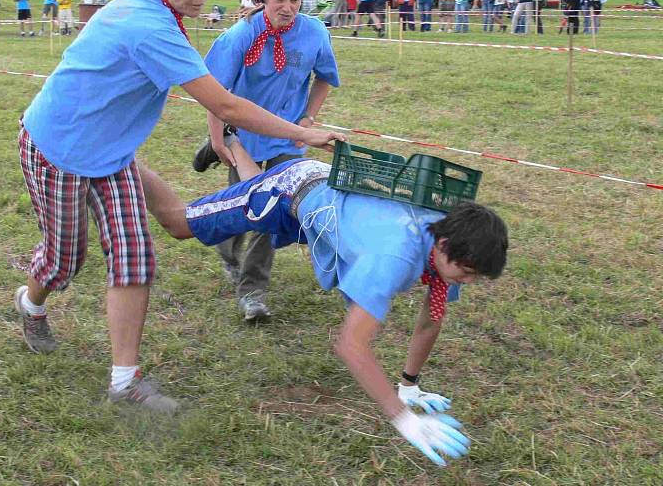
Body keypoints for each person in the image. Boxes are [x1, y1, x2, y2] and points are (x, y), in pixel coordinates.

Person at [13, 0, 342, 413]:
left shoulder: (152, 12)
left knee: (134, 257)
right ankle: (31, 303)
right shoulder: (149, 26)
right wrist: (303, 133)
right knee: (64, 261)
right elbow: (225, 103)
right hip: (56, 148)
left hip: (111, 155)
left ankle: (124, 384)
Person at [138, 136, 508, 468]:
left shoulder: (452, 240)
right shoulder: (395, 256)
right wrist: (402, 417)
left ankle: (233, 143)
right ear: (442, 245)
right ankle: (123, 162)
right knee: (179, 223)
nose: (469, 280)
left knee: (258, 207)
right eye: (468, 271)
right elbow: (351, 345)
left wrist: (409, 385)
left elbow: (432, 316)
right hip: (289, 190)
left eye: (476, 275)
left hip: (323, 211)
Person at [192, 0, 340, 320]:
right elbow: (216, 93)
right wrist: (218, 141)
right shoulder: (241, 35)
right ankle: (228, 253)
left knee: (268, 212)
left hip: (288, 138)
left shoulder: (315, 33)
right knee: (240, 206)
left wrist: (308, 118)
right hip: (241, 134)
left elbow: (325, 76)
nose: (287, 8)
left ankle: (252, 291)